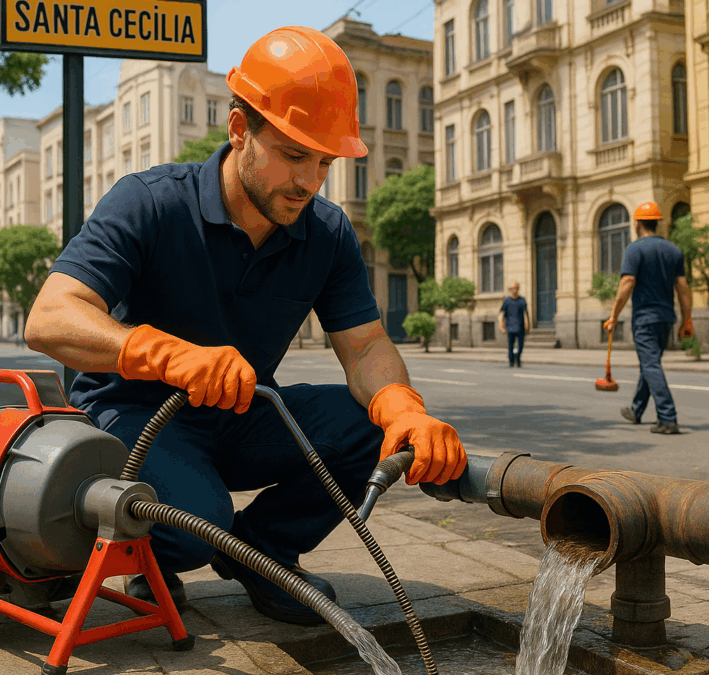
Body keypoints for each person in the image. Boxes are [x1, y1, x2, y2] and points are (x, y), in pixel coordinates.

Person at [24, 26, 467, 627]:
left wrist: (403, 407)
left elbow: (364, 346)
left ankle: (265, 551)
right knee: (195, 530)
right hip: (135, 417)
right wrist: (169, 355)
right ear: (239, 131)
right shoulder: (150, 202)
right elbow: (50, 317)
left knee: (366, 428)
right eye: (293, 155)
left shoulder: (328, 232)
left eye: (324, 162)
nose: (310, 182)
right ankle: (144, 555)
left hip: (240, 412)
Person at [604, 202, 693, 434]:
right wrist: (687, 320)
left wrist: (613, 315)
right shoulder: (674, 250)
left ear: (637, 223)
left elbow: (627, 283)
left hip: (645, 319)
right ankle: (636, 409)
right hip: (666, 319)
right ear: (657, 221)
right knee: (650, 363)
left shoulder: (635, 249)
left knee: (650, 364)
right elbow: (683, 288)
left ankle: (668, 417)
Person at [498, 282, 531, 367]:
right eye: (511, 289)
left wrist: (527, 325)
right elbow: (501, 313)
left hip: (520, 327)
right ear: (509, 290)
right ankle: (511, 361)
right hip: (510, 327)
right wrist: (501, 326)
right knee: (511, 346)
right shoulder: (507, 301)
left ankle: (518, 358)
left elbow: (526, 314)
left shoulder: (522, 300)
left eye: (515, 288)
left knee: (520, 346)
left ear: (518, 289)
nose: (514, 290)